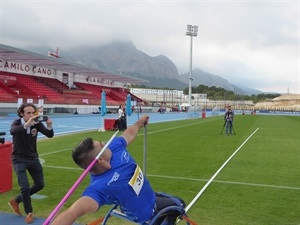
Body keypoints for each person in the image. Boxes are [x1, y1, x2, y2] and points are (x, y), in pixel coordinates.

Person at [51, 115, 185, 225]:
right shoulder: (98, 189)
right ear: (101, 160)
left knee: (170, 202)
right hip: (147, 211)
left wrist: (139, 122)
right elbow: (73, 212)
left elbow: (128, 134)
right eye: (103, 145)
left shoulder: (113, 148)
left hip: (149, 195)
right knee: (180, 205)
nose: (106, 144)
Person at [8, 103, 54, 224]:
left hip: (33, 158)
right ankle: (29, 213)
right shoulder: (17, 123)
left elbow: (49, 135)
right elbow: (12, 131)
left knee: (40, 184)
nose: (31, 115)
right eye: (28, 113)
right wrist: (26, 125)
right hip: (19, 159)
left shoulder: (37, 123)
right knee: (24, 186)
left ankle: (16, 200)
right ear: (22, 114)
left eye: (33, 113)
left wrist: (49, 126)